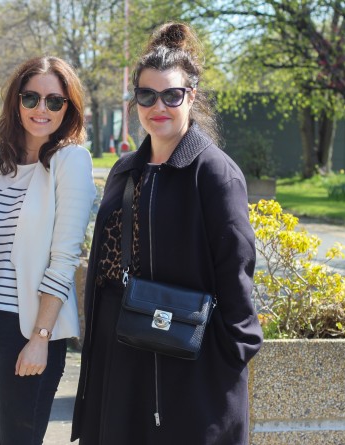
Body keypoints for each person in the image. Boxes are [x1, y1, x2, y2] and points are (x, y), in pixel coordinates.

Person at [71, 22, 263, 445]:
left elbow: (236, 268)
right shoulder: (126, 169)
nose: (158, 105)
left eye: (171, 95)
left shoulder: (213, 172)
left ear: (190, 97)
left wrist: (231, 353)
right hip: (119, 348)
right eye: (146, 95)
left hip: (190, 357)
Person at [0, 56, 96, 445]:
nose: (42, 109)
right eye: (32, 98)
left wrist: (41, 336)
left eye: (54, 101)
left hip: (29, 329)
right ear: (16, 101)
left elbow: (64, 257)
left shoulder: (69, 161)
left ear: (68, 108)